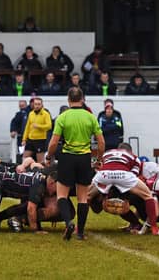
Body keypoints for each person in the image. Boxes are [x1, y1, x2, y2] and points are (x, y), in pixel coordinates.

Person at [46, 87, 105, 241]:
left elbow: (53, 143)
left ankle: (68, 223)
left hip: (67, 158)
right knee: (83, 198)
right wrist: (98, 159)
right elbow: (101, 142)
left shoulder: (62, 117)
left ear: (68, 99)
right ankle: (80, 233)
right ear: (82, 99)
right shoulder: (90, 117)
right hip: (84, 158)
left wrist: (49, 156)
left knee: (62, 195)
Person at [92, 143, 159, 236]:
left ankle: (79, 229)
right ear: (130, 151)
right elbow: (132, 175)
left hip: (104, 174)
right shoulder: (133, 157)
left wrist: (105, 195)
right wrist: (125, 197)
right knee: (148, 196)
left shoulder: (107, 153)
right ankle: (154, 228)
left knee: (85, 198)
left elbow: (97, 166)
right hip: (123, 174)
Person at [22, 98, 52, 163]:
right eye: (36, 104)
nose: (37, 106)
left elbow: (49, 126)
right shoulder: (31, 113)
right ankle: (24, 172)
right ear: (33, 105)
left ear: (42, 105)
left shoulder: (45, 114)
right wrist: (24, 139)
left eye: (39, 104)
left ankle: (40, 172)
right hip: (30, 139)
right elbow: (27, 127)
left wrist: (38, 126)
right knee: (25, 158)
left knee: (40, 161)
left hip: (40, 140)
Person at [132, 0, 155, 64]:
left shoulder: (150, 0)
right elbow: (134, 11)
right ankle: (139, 63)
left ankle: (153, 64)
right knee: (139, 48)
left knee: (150, 47)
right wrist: (143, 7)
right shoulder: (135, 0)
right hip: (138, 28)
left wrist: (142, 7)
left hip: (149, 28)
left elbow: (151, 9)